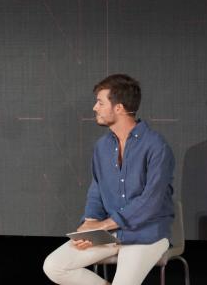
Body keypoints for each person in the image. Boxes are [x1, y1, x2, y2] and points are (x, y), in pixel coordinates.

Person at [43, 74, 175, 285]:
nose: (95, 108)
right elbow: (97, 190)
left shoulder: (156, 146)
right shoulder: (102, 147)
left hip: (147, 234)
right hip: (110, 233)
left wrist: (103, 225)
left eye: (100, 102)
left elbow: (151, 201)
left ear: (119, 108)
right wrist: (90, 224)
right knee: (54, 266)